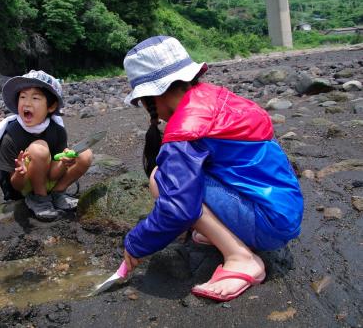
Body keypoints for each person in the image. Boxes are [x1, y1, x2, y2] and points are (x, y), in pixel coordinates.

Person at [121, 36, 303, 302]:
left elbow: (178, 206)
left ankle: (241, 258)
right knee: (177, 179)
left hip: (268, 223)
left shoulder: (186, 127)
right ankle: (230, 235)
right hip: (284, 208)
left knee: (161, 179)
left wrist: (136, 243)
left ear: (152, 95)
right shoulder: (216, 98)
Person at [0, 70, 93, 221]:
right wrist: (20, 173)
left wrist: (63, 164)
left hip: (47, 178)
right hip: (23, 187)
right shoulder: (11, 135)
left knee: (85, 154)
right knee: (39, 148)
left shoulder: (57, 130)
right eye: (22, 97)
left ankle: (57, 194)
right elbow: (16, 186)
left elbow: (53, 175)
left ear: (51, 107)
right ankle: (40, 199)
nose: (27, 102)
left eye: (35, 98)